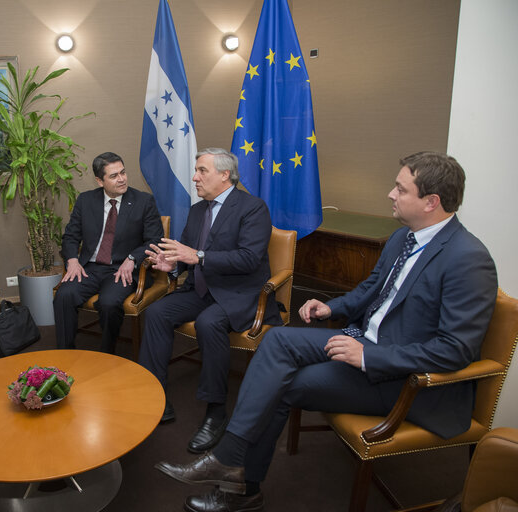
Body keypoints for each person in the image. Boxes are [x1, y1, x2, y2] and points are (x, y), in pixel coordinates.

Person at [155, 151, 498, 512]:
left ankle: (241, 487)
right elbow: (372, 289)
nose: (390, 195)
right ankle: (231, 463)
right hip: (365, 342)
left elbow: (455, 349)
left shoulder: (468, 258)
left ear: (431, 202)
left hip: (405, 379)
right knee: (276, 339)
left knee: (281, 384)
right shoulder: (402, 238)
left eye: (401, 188)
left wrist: (370, 355)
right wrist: (332, 307)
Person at [139, 147, 281, 454]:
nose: (195, 177)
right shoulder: (196, 210)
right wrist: (172, 264)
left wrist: (198, 256)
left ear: (224, 174)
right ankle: (154, 393)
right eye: (196, 170)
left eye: (202, 171)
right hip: (201, 288)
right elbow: (187, 254)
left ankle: (216, 412)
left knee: (209, 323)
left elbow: (248, 258)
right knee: (157, 312)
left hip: (238, 293)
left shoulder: (253, 208)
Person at [54, 152, 163, 353]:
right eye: (113, 176)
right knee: (64, 295)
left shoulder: (144, 201)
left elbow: (155, 239)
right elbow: (70, 236)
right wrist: (72, 260)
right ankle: (65, 353)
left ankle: (107, 353)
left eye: (123, 172)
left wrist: (133, 258)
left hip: (123, 269)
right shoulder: (85, 201)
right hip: (91, 268)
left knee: (109, 303)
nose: (121, 179)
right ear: (99, 180)